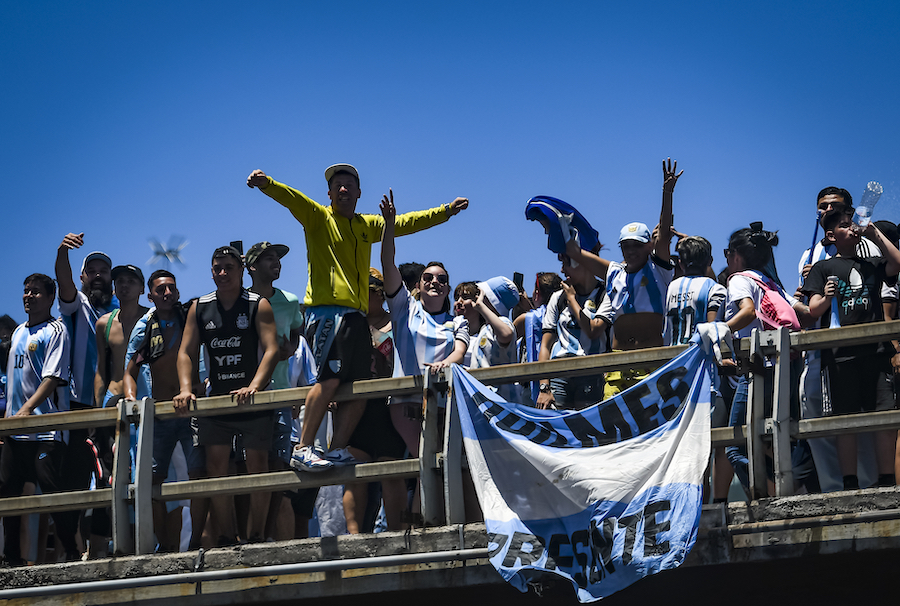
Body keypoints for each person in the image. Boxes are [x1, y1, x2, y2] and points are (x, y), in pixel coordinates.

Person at [246, 164, 468, 472]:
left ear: (359, 193)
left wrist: (446, 211)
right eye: (337, 185)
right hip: (327, 313)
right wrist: (267, 183)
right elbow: (293, 199)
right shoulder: (318, 217)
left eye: (349, 185)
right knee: (329, 380)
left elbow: (406, 222)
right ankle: (303, 447)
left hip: (356, 317)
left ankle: (337, 448)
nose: (343, 189)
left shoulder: (367, 225)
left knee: (360, 386)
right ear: (329, 193)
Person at [174, 246, 280, 545]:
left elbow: (272, 349)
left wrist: (255, 386)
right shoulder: (200, 306)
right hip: (217, 399)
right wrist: (186, 388)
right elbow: (185, 352)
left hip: (253, 399)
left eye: (229, 267)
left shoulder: (258, 304)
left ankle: (257, 535)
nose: (222, 273)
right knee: (216, 465)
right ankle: (226, 536)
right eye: (217, 268)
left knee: (258, 464)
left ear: (241, 270)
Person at [802, 210, 900, 490]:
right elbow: (813, 309)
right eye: (844, 226)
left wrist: (874, 233)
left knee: (883, 416)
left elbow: (897, 263)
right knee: (845, 420)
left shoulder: (871, 264)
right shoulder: (822, 268)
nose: (852, 229)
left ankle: (887, 480)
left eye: (852, 224)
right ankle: (849, 482)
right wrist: (826, 297)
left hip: (877, 352)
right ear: (831, 236)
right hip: (839, 356)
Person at [568, 159, 681, 396]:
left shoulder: (658, 268)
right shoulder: (614, 272)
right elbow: (575, 253)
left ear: (649, 245)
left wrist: (667, 193)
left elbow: (664, 233)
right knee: (613, 419)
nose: (630, 251)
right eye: (625, 246)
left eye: (637, 245)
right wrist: (559, 224)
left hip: (652, 362)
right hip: (618, 364)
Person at [723, 223, 816, 494]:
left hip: (756, 369)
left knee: (735, 445)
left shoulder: (739, 279)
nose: (726, 258)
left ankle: (767, 497)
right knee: (777, 434)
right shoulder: (771, 283)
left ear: (737, 255)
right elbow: (806, 314)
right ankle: (791, 486)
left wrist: (719, 330)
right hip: (786, 367)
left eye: (728, 253)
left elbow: (748, 312)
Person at [380, 191, 470, 458]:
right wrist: (389, 224)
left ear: (448, 288)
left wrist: (445, 364)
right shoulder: (404, 307)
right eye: (428, 277)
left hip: (443, 400)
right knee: (424, 459)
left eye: (442, 279)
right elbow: (387, 263)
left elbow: (459, 352)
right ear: (418, 285)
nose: (434, 282)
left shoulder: (458, 321)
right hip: (405, 399)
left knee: (439, 465)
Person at [1, 274, 80, 563]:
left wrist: (28, 409)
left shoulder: (56, 330)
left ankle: (71, 550)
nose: (29, 296)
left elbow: (52, 378)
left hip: (46, 429)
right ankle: (11, 557)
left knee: (50, 488)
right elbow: (13, 384)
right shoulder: (17, 333)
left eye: (35, 292)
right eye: (26, 291)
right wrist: (10, 420)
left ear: (49, 298)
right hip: (15, 430)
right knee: (8, 491)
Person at [125, 270, 205, 551]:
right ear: (150, 296)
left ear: (178, 292)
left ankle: (196, 541)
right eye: (161, 290)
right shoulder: (146, 327)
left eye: (172, 288)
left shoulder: (191, 319)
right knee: (151, 480)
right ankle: (164, 546)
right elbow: (130, 370)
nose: (167, 293)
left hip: (192, 409)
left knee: (199, 475)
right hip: (160, 413)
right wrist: (132, 400)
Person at [244, 241, 304, 541]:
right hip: (244, 396)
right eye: (268, 258)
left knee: (279, 469)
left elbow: (296, 332)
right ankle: (251, 535)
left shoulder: (290, 300)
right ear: (252, 266)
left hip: (279, 393)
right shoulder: (239, 301)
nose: (276, 263)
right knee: (247, 470)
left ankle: (268, 538)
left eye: (277, 258)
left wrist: (290, 347)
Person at [664, 236, 731, 501]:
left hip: (674, 374)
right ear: (710, 261)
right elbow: (712, 329)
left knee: (685, 449)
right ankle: (708, 504)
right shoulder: (716, 289)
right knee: (711, 445)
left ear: (680, 263)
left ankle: (687, 504)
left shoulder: (672, 287)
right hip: (704, 376)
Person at [535, 254, 608, 410]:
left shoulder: (604, 294)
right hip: (559, 372)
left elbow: (593, 331)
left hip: (591, 369)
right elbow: (545, 345)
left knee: (587, 422)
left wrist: (572, 300)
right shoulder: (557, 298)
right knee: (557, 422)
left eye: (567, 263)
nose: (562, 270)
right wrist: (544, 387)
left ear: (583, 263)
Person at [454, 278, 520, 401]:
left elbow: (506, 334)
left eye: (481, 295)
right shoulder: (485, 329)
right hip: (483, 400)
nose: (478, 298)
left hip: (499, 401)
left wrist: (481, 307)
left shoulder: (502, 322)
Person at [513, 273, 562, 405]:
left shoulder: (526, 319)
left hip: (532, 385)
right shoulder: (564, 314)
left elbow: (508, 336)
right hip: (560, 379)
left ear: (537, 293)